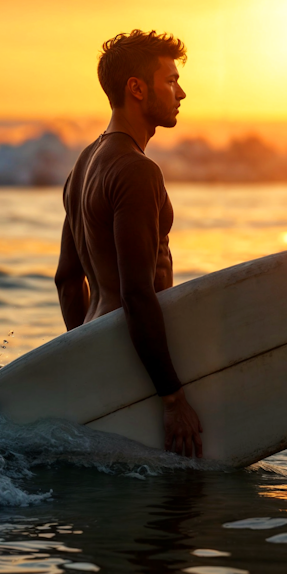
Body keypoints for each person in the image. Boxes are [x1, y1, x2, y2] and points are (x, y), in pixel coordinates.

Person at [54, 30, 203, 457]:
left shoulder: (83, 165)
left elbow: (67, 280)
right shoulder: (136, 171)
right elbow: (137, 293)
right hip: (143, 365)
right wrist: (172, 399)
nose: (182, 92)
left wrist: (87, 353)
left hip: (106, 349)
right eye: (170, 80)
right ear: (136, 88)